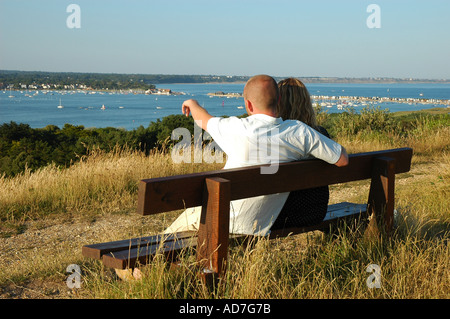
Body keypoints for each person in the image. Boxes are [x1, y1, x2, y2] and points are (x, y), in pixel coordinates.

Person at [165, 75, 348, 236]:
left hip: (228, 215)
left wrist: (192, 103)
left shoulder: (235, 128)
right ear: (278, 101)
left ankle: (144, 268)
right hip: (261, 220)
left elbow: (203, 119)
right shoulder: (300, 133)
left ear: (249, 104)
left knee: (168, 235)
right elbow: (342, 159)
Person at [270, 78, 332, 230]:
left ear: (277, 102)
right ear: (306, 103)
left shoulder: (273, 138)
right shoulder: (321, 134)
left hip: (278, 215)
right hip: (315, 212)